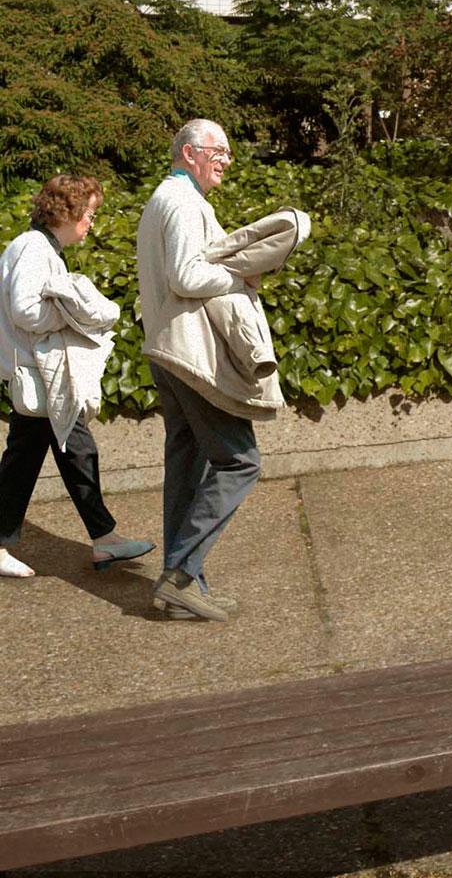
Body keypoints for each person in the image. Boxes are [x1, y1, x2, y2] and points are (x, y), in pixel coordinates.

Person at [138, 120, 275, 621]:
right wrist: (244, 274)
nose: (227, 159)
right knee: (241, 462)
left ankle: (184, 585)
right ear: (191, 152)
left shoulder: (166, 200)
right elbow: (187, 276)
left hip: (168, 352)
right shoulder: (180, 202)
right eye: (220, 150)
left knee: (187, 465)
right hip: (191, 356)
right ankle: (178, 576)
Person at [0, 175, 155, 579]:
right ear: (65, 212)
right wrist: (75, 318)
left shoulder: (35, 246)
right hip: (43, 375)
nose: (91, 223)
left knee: (43, 455)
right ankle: (104, 539)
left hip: (43, 374)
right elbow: (26, 311)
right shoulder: (34, 249)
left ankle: (104, 539)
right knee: (69, 451)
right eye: (88, 214)